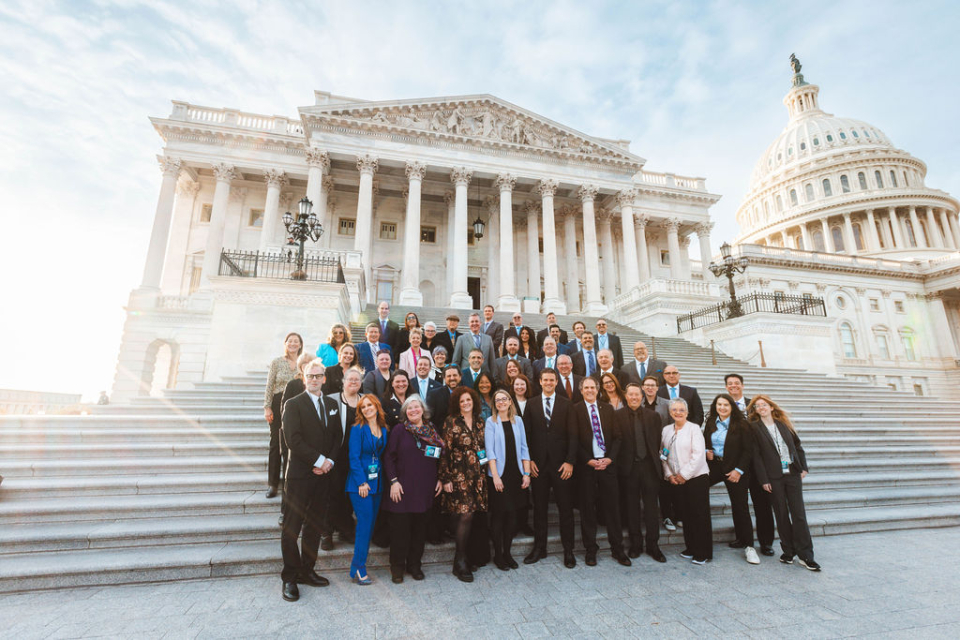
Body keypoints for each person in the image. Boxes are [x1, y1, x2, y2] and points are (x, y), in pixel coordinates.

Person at [279, 360, 340, 602]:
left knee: (314, 525)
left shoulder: (332, 404)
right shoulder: (293, 404)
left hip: (323, 475)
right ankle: (290, 577)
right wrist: (318, 460)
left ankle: (307, 570)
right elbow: (292, 440)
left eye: (318, 375)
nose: (314, 379)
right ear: (304, 378)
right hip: (299, 476)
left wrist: (329, 462)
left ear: (325, 378)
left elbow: (337, 437)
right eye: (310, 375)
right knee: (291, 527)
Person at [748, 395, 820, 571]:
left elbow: (798, 446)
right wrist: (763, 479)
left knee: (799, 514)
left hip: (793, 473)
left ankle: (806, 555)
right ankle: (788, 552)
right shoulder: (755, 428)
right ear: (755, 410)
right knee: (780, 514)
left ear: (771, 407)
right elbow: (756, 456)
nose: (761, 407)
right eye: (757, 406)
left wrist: (803, 467)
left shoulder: (784, 424)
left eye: (764, 404)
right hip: (773, 477)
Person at [383, 396, 443, 583]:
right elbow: (388, 457)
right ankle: (397, 568)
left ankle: (414, 565)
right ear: (405, 412)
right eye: (409, 408)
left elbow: (441, 456)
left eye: (416, 407)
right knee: (400, 532)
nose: (413, 411)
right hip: (401, 489)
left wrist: (441, 478)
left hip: (424, 489)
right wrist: (393, 481)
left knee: (419, 532)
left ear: (423, 410)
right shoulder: (400, 430)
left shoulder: (431, 430)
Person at [522, 368, 577, 567]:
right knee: (539, 509)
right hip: (538, 466)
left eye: (551, 380)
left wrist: (570, 461)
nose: (548, 383)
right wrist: (530, 461)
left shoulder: (566, 403)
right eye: (545, 379)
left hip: (562, 466)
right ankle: (540, 548)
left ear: (556, 382)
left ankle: (568, 550)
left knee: (565, 509)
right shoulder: (531, 403)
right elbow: (526, 435)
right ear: (540, 381)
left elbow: (573, 435)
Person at [574, 377, 630, 567]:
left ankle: (618, 549)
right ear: (581, 390)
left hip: (607, 466)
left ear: (598, 390)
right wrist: (587, 460)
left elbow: (618, 437)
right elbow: (572, 440)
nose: (589, 390)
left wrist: (610, 458)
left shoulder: (607, 409)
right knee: (587, 510)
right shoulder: (575, 410)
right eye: (586, 387)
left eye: (593, 387)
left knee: (613, 509)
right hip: (587, 467)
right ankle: (590, 549)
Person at [439, 387, 489, 582]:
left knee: (471, 515)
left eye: (468, 400)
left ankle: (465, 557)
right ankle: (459, 560)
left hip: (477, 475)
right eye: (462, 401)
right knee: (465, 514)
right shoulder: (451, 422)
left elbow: (483, 447)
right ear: (457, 404)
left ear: (473, 401)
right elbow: (445, 451)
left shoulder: (479, 421)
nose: (466, 403)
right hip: (458, 475)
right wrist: (445, 478)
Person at [704, 393, 760, 565]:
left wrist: (739, 470)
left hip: (735, 469)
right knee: (698, 487)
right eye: (719, 405)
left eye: (726, 405)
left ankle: (748, 546)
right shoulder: (711, 422)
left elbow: (748, 450)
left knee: (740, 506)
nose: (722, 408)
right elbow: (706, 441)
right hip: (716, 466)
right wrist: (707, 450)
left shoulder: (742, 424)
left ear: (731, 407)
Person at [616, 383, 667, 562]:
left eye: (637, 394)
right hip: (629, 469)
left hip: (649, 467)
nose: (634, 397)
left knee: (652, 508)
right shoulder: (618, 416)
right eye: (631, 395)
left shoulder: (653, 416)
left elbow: (659, 442)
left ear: (642, 396)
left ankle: (653, 545)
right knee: (632, 508)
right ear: (626, 397)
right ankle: (635, 544)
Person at [726, 373, 775, 556]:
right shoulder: (723, 405)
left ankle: (766, 542)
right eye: (730, 384)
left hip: (757, 463)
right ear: (726, 387)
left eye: (736, 383)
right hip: (735, 463)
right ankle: (742, 538)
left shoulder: (753, 406)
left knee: (762, 503)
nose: (733, 386)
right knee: (739, 504)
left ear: (742, 385)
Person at [661, 398, 712, 565]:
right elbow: (662, 455)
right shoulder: (666, 430)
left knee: (699, 516)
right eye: (674, 410)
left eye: (681, 410)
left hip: (696, 478)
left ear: (687, 412)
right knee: (686, 516)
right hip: (676, 480)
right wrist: (669, 475)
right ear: (670, 412)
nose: (678, 412)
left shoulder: (694, 429)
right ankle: (691, 548)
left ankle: (703, 552)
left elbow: (698, 455)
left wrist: (683, 475)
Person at [485, 389, 532, 570]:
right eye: (498, 400)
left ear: (510, 401)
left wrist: (526, 474)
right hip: (500, 475)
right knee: (499, 515)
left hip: (516, 474)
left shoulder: (518, 421)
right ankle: (498, 555)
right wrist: (495, 477)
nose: (501, 402)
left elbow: (524, 448)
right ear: (494, 404)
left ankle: (508, 553)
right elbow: (490, 453)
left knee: (512, 515)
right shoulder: (491, 422)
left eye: (504, 399)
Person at [346, 395, 388, 585]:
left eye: (370, 405)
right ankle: (359, 567)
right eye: (363, 407)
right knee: (364, 525)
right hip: (360, 485)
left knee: (370, 526)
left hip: (377, 483)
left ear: (376, 406)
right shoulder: (357, 429)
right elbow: (353, 458)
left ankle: (356, 565)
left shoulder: (384, 429)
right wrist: (361, 482)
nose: (367, 409)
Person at [325, 367, 363, 550]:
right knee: (333, 493)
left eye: (357, 379)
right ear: (343, 381)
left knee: (349, 494)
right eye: (350, 379)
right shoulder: (332, 399)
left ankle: (346, 530)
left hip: (356, 457)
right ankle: (327, 533)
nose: (354, 382)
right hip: (336, 455)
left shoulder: (365, 401)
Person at [278, 353, 316, 526]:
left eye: (311, 363)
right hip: (293, 440)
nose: (308, 366)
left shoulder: (318, 385)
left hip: (313, 441)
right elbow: (284, 413)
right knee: (290, 479)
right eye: (305, 364)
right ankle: (285, 511)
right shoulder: (293, 384)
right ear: (301, 367)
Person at [264, 332, 303, 499]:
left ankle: (290, 480)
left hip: (298, 404)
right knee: (276, 443)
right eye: (290, 341)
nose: (293, 344)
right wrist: (267, 407)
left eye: (296, 341)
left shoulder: (303, 363)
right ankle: (273, 484)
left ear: (300, 345)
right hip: (278, 402)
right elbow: (269, 384)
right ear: (285, 344)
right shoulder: (277, 362)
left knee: (293, 441)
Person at [427, 365, 462, 433]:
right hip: (441, 436)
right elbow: (429, 420)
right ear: (444, 378)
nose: (452, 378)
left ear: (460, 377)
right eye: (449, 376)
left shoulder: (467, 394)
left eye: (455, 375)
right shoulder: (434, 395)